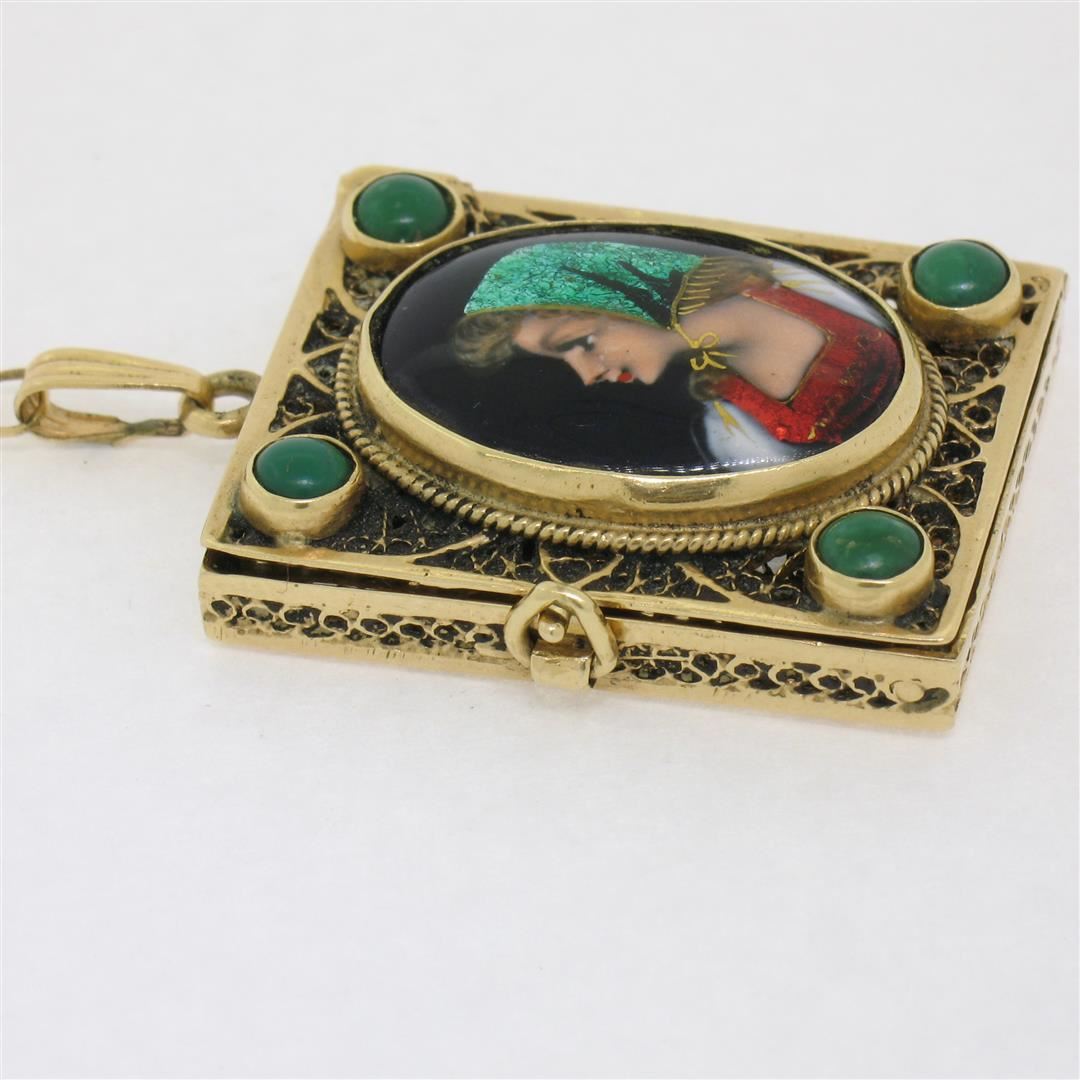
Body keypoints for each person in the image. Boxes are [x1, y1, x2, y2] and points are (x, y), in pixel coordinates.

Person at [451, 239, 902, 471]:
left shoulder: (809, 285)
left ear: (625, 295)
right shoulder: (728, 433)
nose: (586, 376)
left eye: (581, 343)